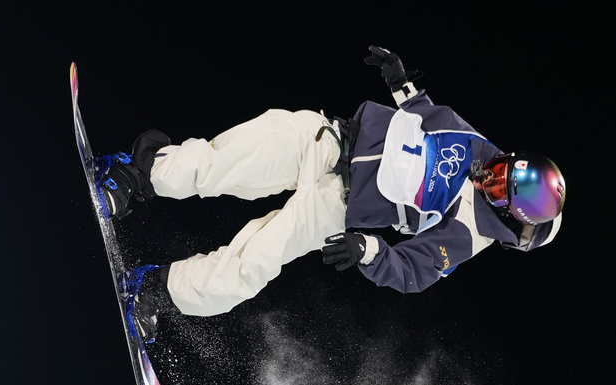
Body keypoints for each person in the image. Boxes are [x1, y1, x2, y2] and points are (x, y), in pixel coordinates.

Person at [94, 47, 566, 342]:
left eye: (502, 187)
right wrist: (401, 82)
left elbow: (413, 271)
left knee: (249, 269)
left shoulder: (470, 234)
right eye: (506, 168)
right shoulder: (482, 148)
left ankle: (151, 290)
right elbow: (431, 117)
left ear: (510, 217)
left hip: (335, 208)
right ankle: (129, 177)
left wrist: (370, 248)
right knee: (215, 165)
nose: (493, 175)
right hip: (326, 139)